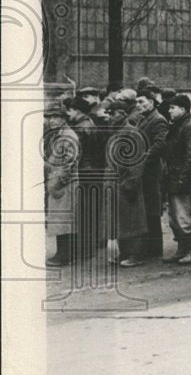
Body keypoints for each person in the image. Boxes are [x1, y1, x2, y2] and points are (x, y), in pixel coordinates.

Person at [103, 100, 147, 266]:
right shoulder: (117, 132)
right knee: (120, 219)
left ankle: (135, 254)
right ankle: (125, 253)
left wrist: (130, 183)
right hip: (115, 183)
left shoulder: (131, 133)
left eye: (112, 113)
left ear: (122, 113)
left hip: (126, 183)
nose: (110, 117)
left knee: (132, 219)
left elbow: (136, 162)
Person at [162, 94, 191, 263]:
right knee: (175, 216)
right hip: (175, 176)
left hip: (186, 180)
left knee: (185, 215)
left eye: (173, 107)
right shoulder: (178, 125)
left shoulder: (189, 126)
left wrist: (182, 179)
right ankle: (182, 248)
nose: (169, 110)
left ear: (183, 109)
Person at [66, 96, 106, 260]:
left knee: (84, 212)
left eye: (70, 110)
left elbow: (78, 153)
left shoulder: (79, 128)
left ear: (77, 111)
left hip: (84, 173)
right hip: (95, 172)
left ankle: (85, 249)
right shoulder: (90, 123)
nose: (68, 114)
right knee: (92, 210)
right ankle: (93, 244)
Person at [132, 90, 168, 263]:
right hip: (144, 169)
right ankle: (150, 247)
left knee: (152, 208)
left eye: (142, 101)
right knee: (146, 207)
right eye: (137, 102)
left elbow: (160, 143)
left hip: (152, 170)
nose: (138, 105)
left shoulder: (158, 120)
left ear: (152, 102)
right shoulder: (142, 119)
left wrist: (143, 158)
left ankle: (154, 248)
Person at [44, 105, 79, 267]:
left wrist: (59, 182)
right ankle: (63, 253)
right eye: (49, 117)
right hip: (57, 183)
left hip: (64, 185)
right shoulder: (59, 134)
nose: (51, 120)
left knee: (64, 220)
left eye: (55, 117)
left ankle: (65, 255)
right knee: (60, 220)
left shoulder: (68, 136)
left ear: (64, 118)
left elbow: (69, 163)